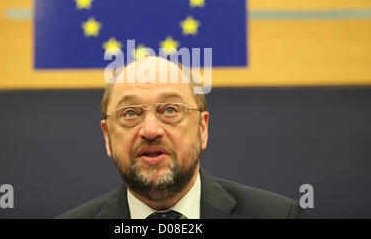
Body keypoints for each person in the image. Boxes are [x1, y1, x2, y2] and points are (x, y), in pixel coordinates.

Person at [58, 56, 304, 219]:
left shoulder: (279, 215)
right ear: (107, 136)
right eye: (130, 113)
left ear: (202, 128)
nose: (151, 130)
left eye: (170, 110)